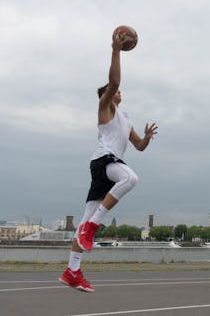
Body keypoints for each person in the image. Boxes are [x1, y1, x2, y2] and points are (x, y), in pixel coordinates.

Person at [59, 31, 158, 292]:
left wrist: (146, 138)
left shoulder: (125, 119)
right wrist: (116, 50)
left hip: (108, 165)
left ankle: (73, 270)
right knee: (130, 178)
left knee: (83, 220)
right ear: (108, 94)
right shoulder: (105, 106)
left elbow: (139, 147)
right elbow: (113, 82)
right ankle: (93, 227)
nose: (119, 91)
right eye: (116, 90)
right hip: (104, 160)